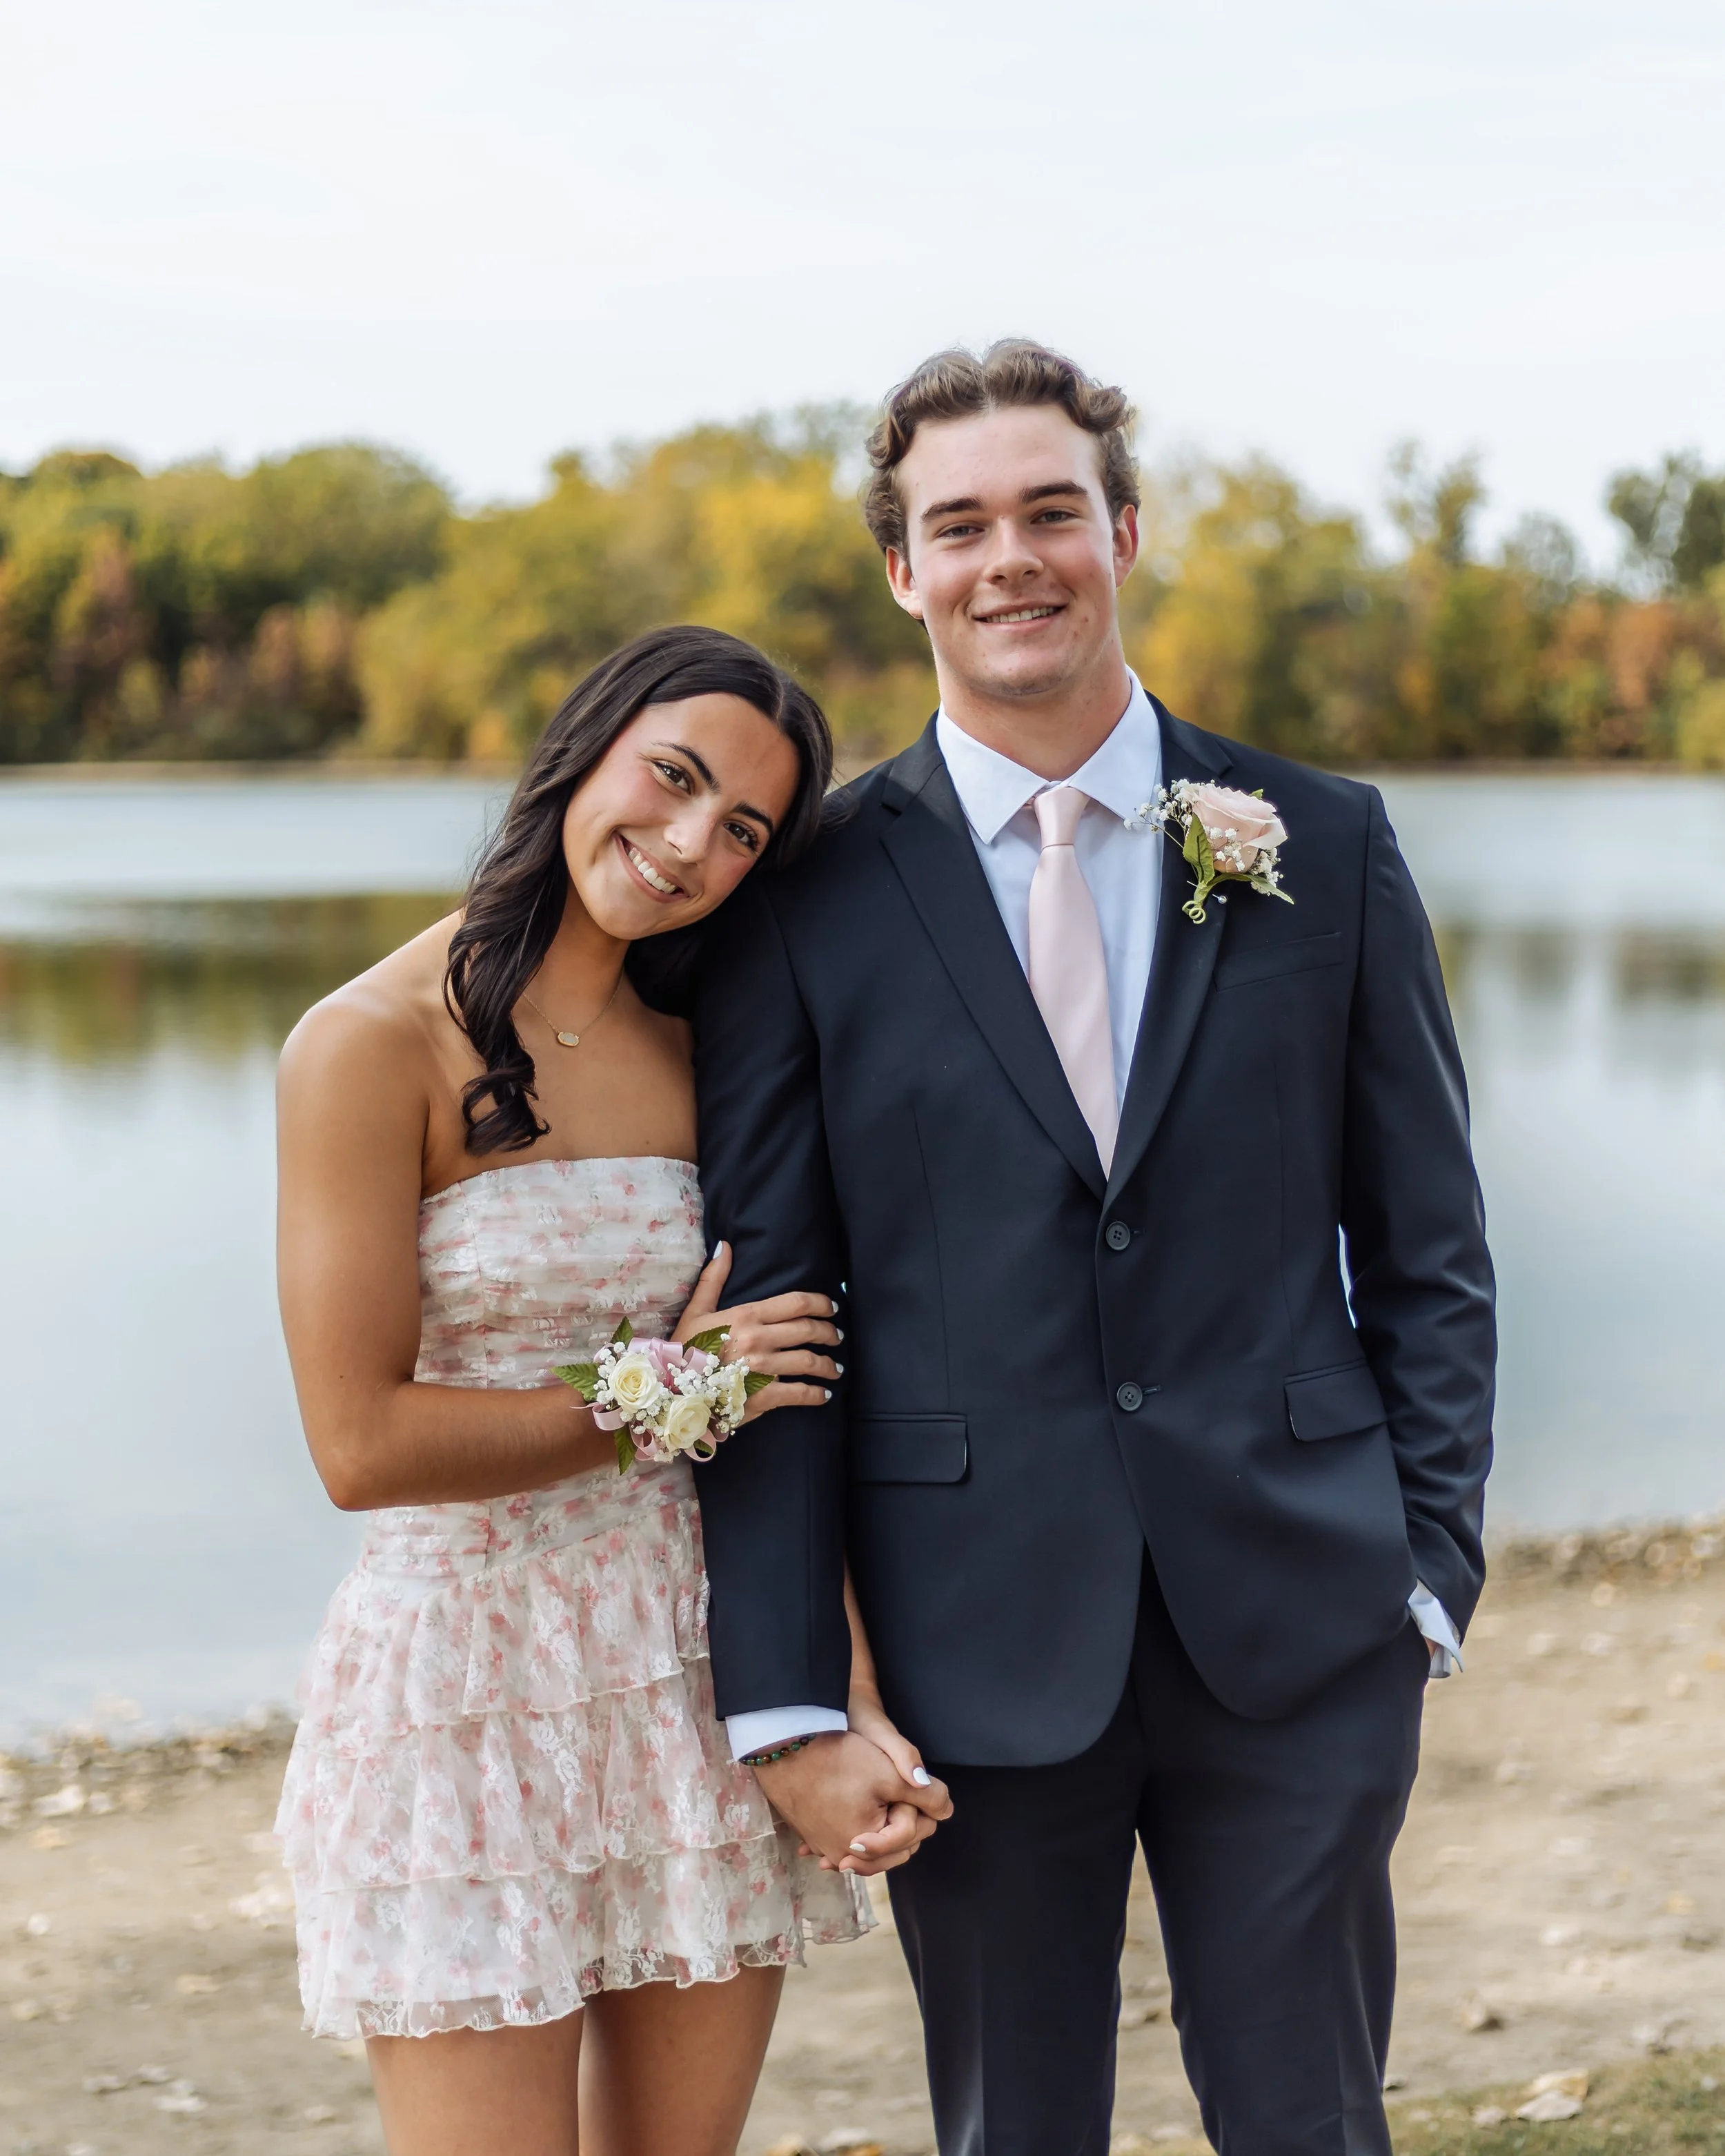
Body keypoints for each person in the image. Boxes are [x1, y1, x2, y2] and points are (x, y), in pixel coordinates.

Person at [689, 344, 1496, 2156]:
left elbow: (1430, 1246)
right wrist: (789, 1695)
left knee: (1310, 2123)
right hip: (966, 1647)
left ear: (1119, 530)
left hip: (1298, 1624)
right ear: (902, 570)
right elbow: (770, 1317)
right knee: (1011, 2132)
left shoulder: (1328, 845)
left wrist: (1424, 1568)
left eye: (1050, 510)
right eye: (956, 523)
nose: (1010, 558)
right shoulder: (801, 895)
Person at [272, 625, 949, 2156]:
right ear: (589, 743)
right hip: (461, 1689)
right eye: (676, 776)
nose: (689, 841)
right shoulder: (362, 1047)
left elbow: (789, 1394)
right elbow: (358, 1442)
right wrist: (660, 1396)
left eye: (744, 829)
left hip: (681, 1673)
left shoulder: (716, 1055)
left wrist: (836, 1690)